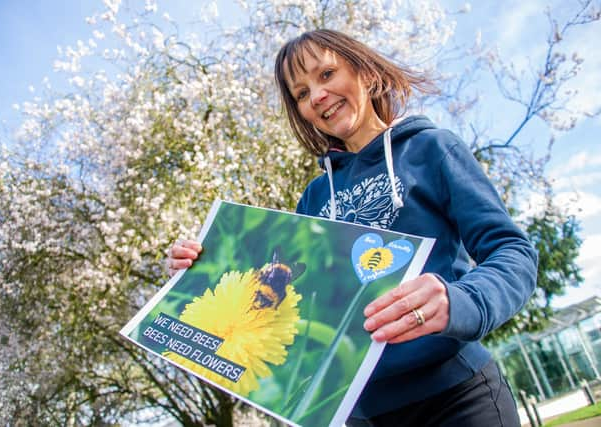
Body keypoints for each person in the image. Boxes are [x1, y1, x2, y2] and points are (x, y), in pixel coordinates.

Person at [167, 29, 537, 427]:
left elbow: (513, 252)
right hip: (360, 414)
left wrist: (462, 300)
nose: (317, 97)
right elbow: (285, 292)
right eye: (302, 94)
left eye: (326, 75)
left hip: (457, 396)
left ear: (366, 72)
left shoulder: (432, 149)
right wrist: (203, 269)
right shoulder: (313, 199)